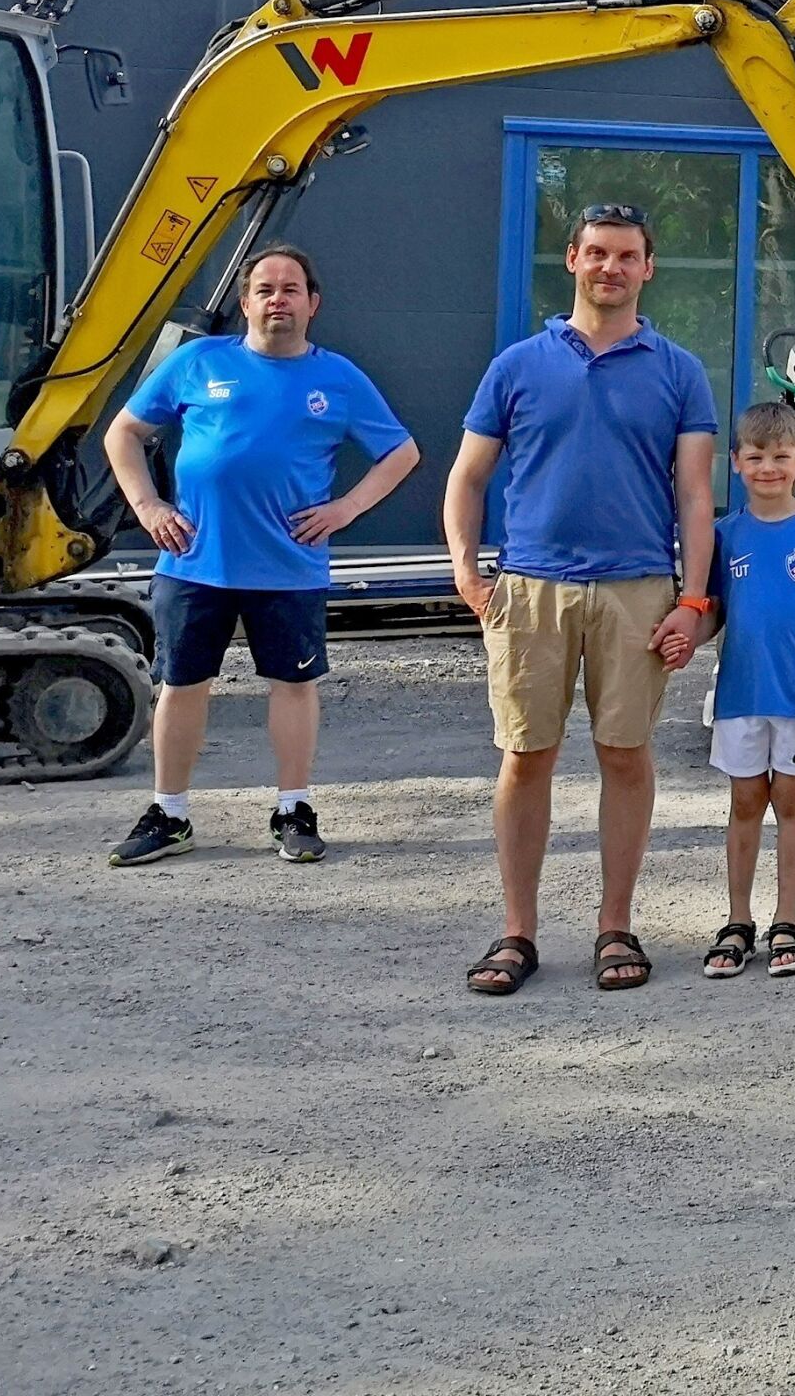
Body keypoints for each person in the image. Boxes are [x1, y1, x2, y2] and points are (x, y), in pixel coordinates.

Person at [442, 201, 719, 996]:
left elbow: (696, 497)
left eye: (626, 256)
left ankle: (615, 925)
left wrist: (693, 600)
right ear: (572, 260)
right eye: (596, 253)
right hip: (530, 588)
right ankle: (517, 932)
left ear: (647, 268)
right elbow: (466, 477)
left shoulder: (679, 371)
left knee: (625, 756)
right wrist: (466, 568)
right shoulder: (518, 365)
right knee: (526, 756)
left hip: (637, 589)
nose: (610, 268)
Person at [98, 245, 420, 866]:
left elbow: (402, 454)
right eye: (266, 289)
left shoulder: (339, 378)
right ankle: (170, 814)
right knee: (182, 684)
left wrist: (346, 509)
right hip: (194, 561)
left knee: (293, 686)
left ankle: (293, 809)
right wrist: (148, 507)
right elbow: (124, 433)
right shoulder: (198, 361)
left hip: (288, 567)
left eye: (291, 289)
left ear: (312, 303)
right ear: (245, 302)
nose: (279, 299)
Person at [655, 401, 795, 982]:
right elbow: (713, 613)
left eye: (781, 457)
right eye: (756, 456)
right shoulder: (722, 535)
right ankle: (738, 921)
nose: (769, 467)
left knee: (792, 804)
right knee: (744, 806)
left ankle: (787, 920)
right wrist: (686, 637)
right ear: (735, 462)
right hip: (740, 696)